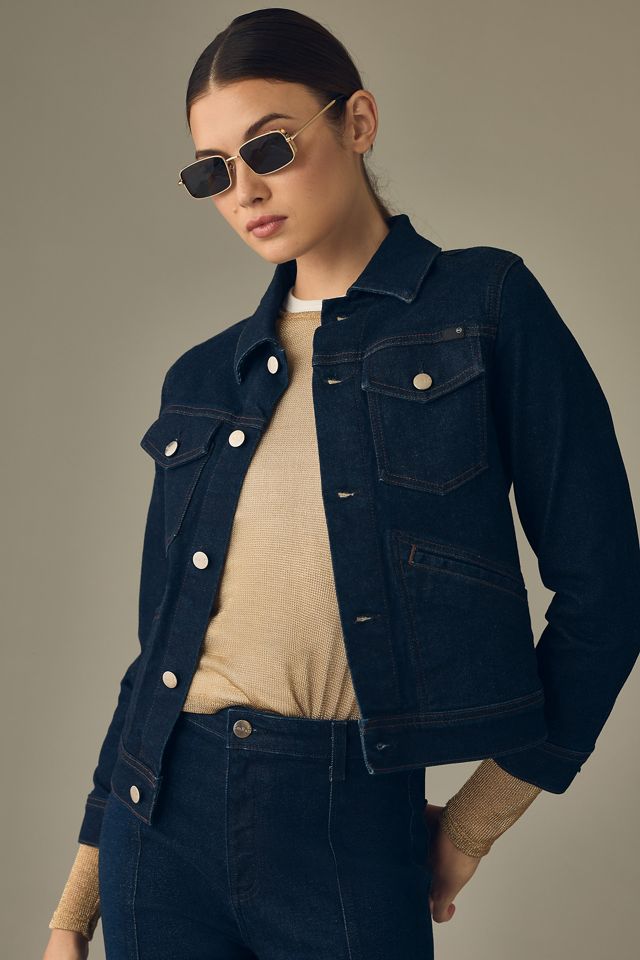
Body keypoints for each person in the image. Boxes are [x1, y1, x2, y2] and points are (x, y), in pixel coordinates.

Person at [44, 8, 640, 960]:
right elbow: (160, 652)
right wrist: (75, 906)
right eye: (213, 172)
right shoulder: (204, 378)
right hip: (157, 832)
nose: (245, 191)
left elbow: (608, 592)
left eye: (269, 148)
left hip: (347, 823)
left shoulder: (485, 305)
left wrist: (477, 820)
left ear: (357, 121)